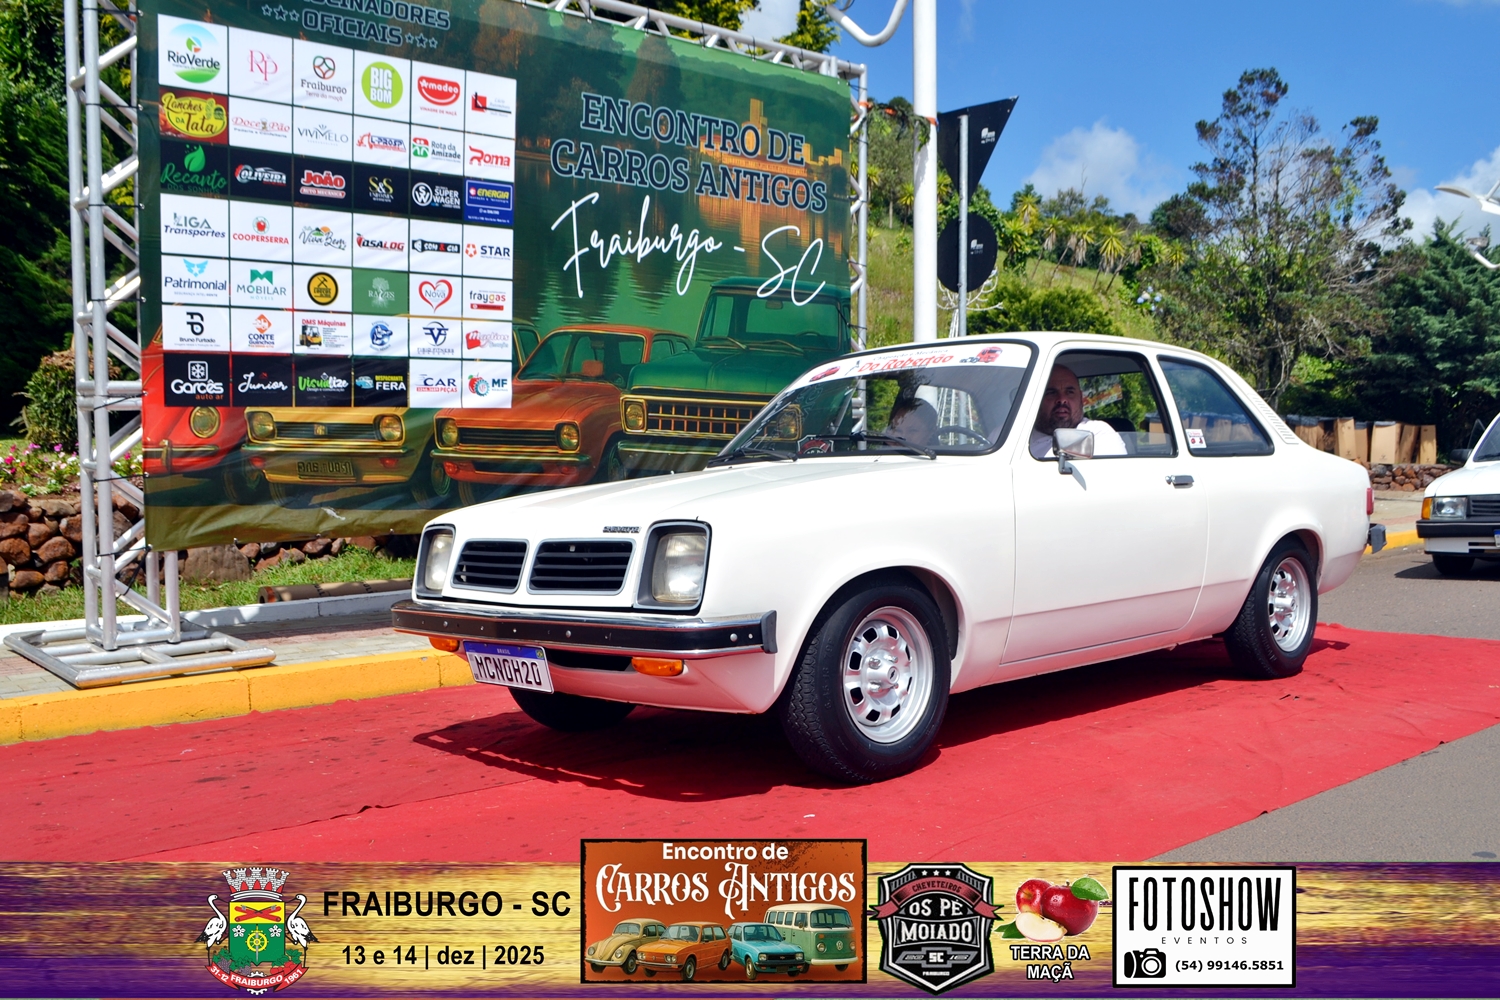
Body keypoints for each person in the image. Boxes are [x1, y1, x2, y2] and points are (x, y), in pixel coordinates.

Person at [1029, 364, 1128, 459]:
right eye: (1051, 393)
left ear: (1081, 398)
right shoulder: (1023, 436)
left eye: (1070, 392)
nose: (1062, 399)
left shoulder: (1098, 433)